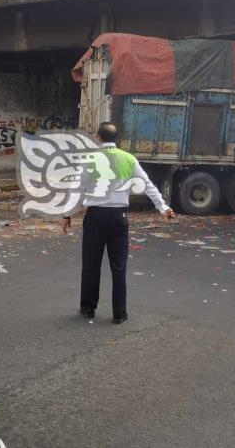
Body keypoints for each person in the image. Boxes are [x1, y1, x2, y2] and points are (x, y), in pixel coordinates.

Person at [62, 122, 175, 324]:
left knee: (90, 265)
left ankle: (88, 308)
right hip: (119, 219)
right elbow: (147, 186)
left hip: (95, 217)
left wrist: (68, 215)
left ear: (98, 136)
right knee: (119, 267)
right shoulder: (129, 159)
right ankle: (119, 313)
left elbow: (76, 190)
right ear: (116, 138)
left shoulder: (89, 160)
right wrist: (163, 208)